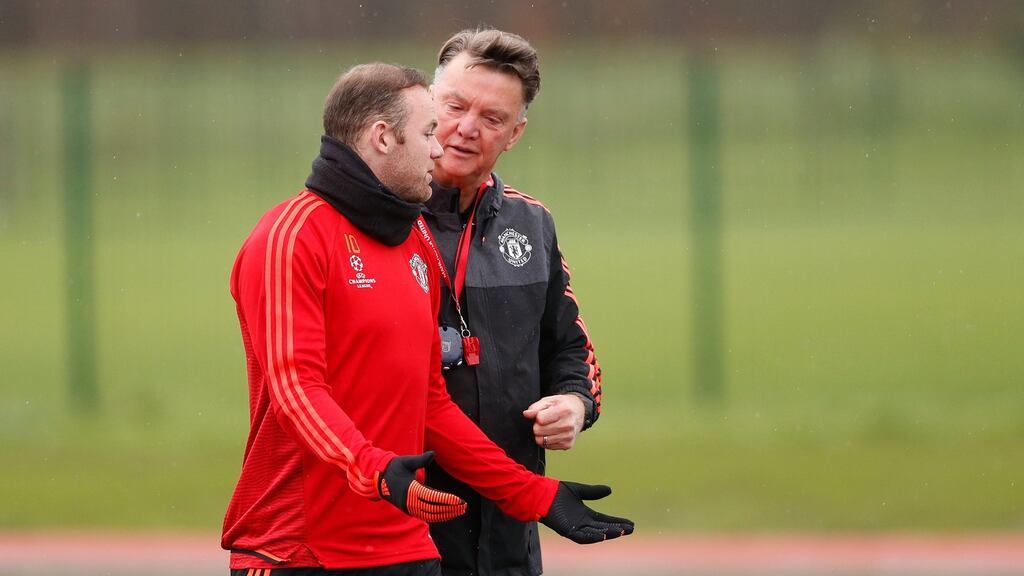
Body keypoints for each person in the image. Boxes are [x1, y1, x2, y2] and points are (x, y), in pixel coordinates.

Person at [221, 63, 632, 576]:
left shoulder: (415, 243)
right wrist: (375, 471)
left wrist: (534, 495)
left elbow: (431, 405)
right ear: (381, 138)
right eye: (428, 132)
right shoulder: (291, 236)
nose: (439, 149)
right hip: (299, 553)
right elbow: (296, 390)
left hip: (410, 550)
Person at [421, 29, 605, 576]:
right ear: (428, 103)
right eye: (454, 106)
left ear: (516, 133)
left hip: (510, 536)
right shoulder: (376, 223)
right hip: (405, 534)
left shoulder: (531, 223)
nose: (467, 128)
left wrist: (574, 404)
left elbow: (572, 351)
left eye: (493, 118)